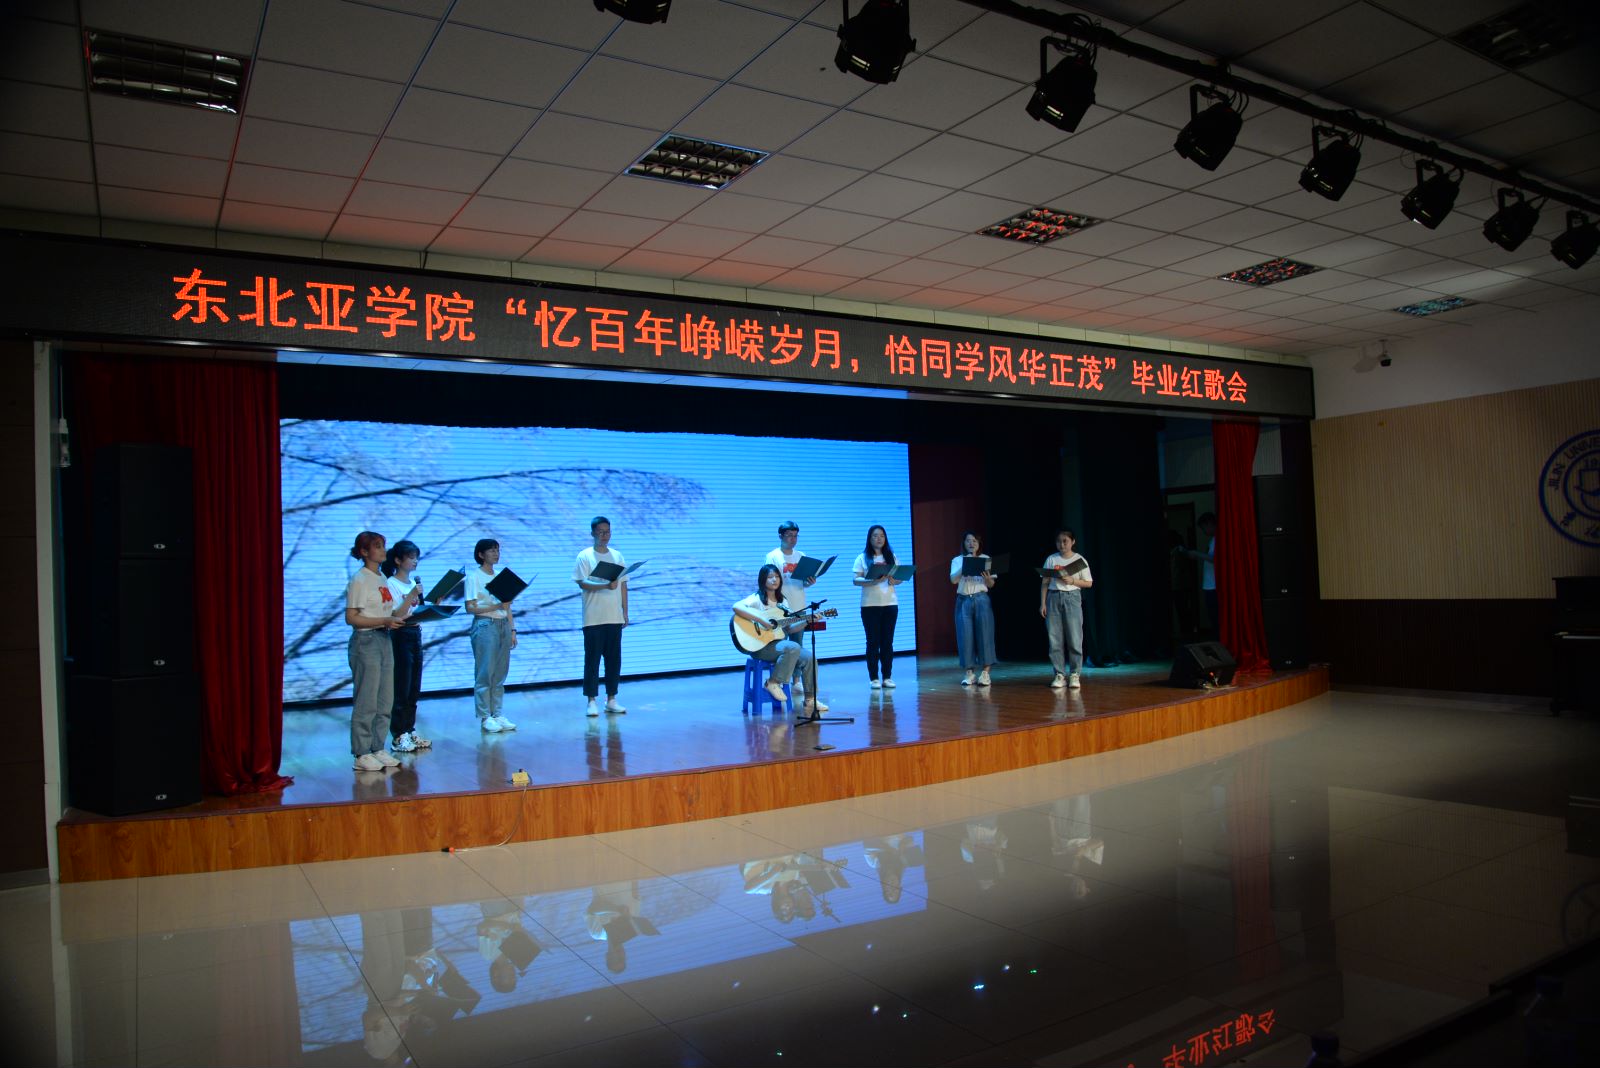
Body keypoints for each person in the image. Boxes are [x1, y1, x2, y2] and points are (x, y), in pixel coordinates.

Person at [346, 531, 412, 772]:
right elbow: (352, 617)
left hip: (384, 638)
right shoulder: (360, 579)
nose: (383, 550)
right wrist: (383, 621)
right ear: (364, 552)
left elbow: (390, 613)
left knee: (385, 698)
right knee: (367, 699)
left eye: (383, 546)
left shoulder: (382, 577)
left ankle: (377, 746)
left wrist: (408, 607)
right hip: (366, 641)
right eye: (377, 546)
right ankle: (361, 752)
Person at [732, 563, 829, 713]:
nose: (774, 580)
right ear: (763, 580)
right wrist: (762, 620)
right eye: (770, 577)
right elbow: (736, 607)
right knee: (792, 647)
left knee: (809, 658)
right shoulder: (756, 599)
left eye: (777, 576)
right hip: (760, 646)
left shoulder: (782, 602)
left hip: (778, 645)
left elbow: (790, 628)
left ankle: (810, 700)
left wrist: (807, 621)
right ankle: (772, 682)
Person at [573, 515, 628, 718]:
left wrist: (625, 612)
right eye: (601, 532)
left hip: (614, 616)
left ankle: (611, 699)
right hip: (593, 617)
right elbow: (582, 583)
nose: (605, 536)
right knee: (592, 660)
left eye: (608, 532)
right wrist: (605, 585)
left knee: (614, 660)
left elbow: (623, 585)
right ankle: (591, 700)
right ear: (593, 533)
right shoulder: (584, 556)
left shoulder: (617, 556)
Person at [381, 539, 431, 753]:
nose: (415, 561)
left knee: (414, 687)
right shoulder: (390, 583)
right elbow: (395, 614)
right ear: (398, 560)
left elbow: (418, 611)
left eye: (416, 557)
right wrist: (411, 595)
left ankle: (410, 729)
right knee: (402, 685)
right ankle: (398, 734)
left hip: (415, 633)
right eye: (411, 557)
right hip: (399, 635)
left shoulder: (412, 583)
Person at [464, 537, 517, 733]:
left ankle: (497, 713)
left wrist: (512, 629)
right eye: (492, 550)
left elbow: (507, 606)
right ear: (481, 554)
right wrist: (496, 606)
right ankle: (485, 716)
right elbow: (470, 607)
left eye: (497, 550)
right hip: (485, 625)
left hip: (503, 625)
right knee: (485, 672)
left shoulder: (501, 576)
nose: (496, 553)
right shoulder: (474, 577)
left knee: (500, 672)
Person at [1040, 528, 1094, 690]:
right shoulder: (1051, 559)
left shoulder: (1079, 560)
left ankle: (1075, 674)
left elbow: (1089, 583)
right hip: (1053, 597)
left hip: (1072, 597)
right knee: (1054, 638)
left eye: (1065, 541)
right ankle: (1059, 674)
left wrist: (1072, 580)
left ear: (1073, 542)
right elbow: (1045, 582)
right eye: (1059, 541)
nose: (1062, 544)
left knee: (1074, 638)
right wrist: (1043, 603)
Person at [765, 521, 815, 695]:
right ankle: (778, 680)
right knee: (782, 645)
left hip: (799, 606)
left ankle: (796, 681)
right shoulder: (773, 556)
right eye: (789, 535)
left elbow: (803, 583)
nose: (793, 539)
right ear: (780, 536)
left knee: (798, 644)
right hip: (780, 609)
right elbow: (769, 581)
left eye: (795, 536)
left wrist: (809, 582)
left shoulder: (802, 556)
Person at [852, 524, 903, 689]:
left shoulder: (892, 557)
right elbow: (855, 580)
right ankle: (874, 678)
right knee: (873, 642)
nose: (879, 539)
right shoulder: (862, 557)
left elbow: (899, 578)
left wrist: (895, 580)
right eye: (875, 536)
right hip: (870, 605)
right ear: (869, 538)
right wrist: (872, 581)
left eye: (882, 535)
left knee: (887, 642)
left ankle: (887, 677)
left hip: (890, 603)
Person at [949, 532, 997, 687]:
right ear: (964, 543)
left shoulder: (985, 558)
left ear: (979, 543)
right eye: (968, 541)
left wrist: (988, 579)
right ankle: (969, 673)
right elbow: (953, 580)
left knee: (985, 635)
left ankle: (985, 673)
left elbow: (991, 584)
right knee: (965, 636)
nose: (971, 543)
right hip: (963, 600)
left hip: (981, 598)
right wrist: (965, 565)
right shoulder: (957, 560)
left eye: (974, 541)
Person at [1179, 512, 1218, 636]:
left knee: (1216, 618)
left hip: (1214, 586)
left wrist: (1196, 554)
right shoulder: (1213, 540)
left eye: (1203, 527)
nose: (1203, 531)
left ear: (1209, 524)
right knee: (1213, 617)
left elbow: (1215, 559)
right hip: (1210, 585)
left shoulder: (1219, 539)